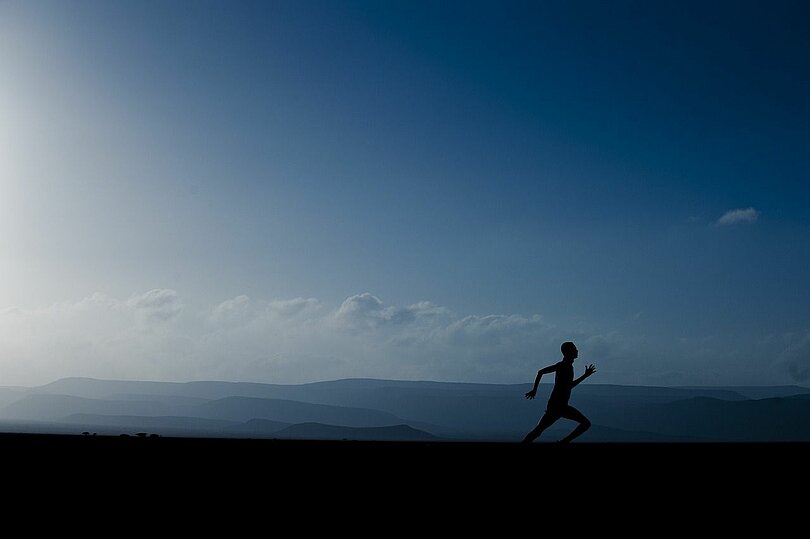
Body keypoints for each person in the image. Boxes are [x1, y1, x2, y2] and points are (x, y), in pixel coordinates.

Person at [522, 341, 596, 443]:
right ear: (568, 352)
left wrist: (534, 390)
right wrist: (585, 376)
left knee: (538, 430)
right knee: (586, 424)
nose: (577, 350)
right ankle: (564, 442)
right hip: (559, 406)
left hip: (556, 405)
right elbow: (568, 385)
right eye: (574, 349)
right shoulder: (564, 366)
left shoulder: (565, 366)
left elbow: (541, 372)